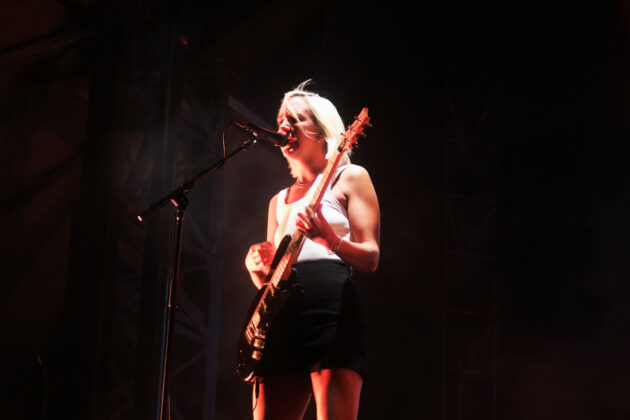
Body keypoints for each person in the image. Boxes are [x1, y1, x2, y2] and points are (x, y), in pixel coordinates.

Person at [244, 80, 380, 420]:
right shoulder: (277, 202)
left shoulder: (350, 177)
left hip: (331, 309)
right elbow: (274, 282)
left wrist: (330, 240)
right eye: (280, 120)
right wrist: (258, 271)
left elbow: (371, 256)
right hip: (282, 320)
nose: (283, 126)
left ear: (321, 132)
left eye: (295, 119)